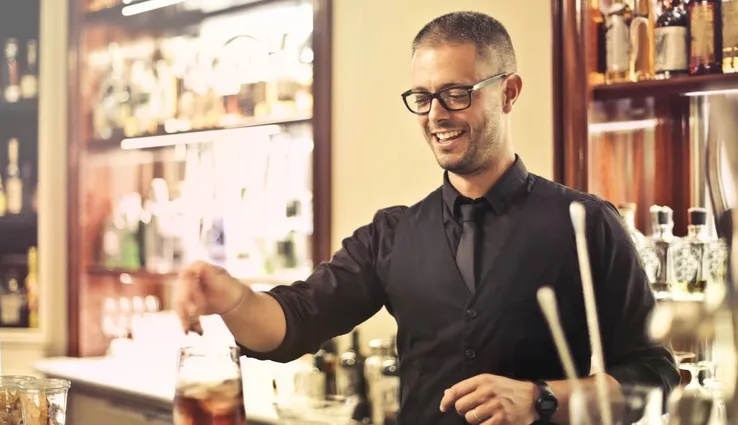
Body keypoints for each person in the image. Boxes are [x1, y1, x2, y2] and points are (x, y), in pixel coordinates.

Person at [172, 11, 680, 425]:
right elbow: (294, 323)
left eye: (456, 93)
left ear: (509, 92)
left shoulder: (586, 224)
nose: (436, 114)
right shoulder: (392, 235)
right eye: (423, 97)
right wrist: (232, 298)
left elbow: (654, 375)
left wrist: (542, 399)